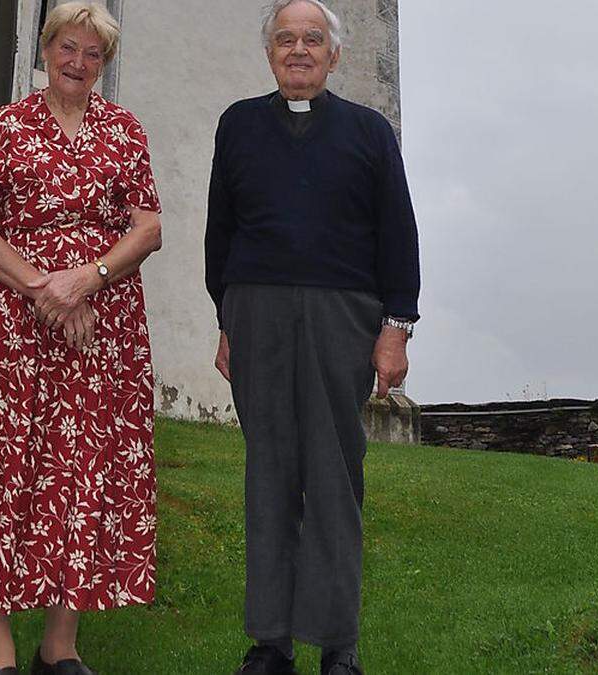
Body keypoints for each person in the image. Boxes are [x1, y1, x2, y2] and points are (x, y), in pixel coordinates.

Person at [0, 3, 163, 674]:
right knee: (1, 468)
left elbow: (147, 228)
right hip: (12, 329)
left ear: (103, 65)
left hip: (101, 330)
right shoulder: (6, 125)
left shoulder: (124, 130)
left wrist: (87, 279)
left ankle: (60, 645)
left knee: (82, 472)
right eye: (67, 46)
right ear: (46, 48)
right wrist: (45, 289)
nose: (77, 61)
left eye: (92, 53)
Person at [205, 1, 420, 674]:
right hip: (256, 312)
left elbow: (398, 234)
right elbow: (221, 232)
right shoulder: (238, 124)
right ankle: (270, 640)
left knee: (334, 473)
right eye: (285, 39)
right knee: (268, 471)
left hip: (341, 317)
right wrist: (226, 320)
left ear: (335, 54)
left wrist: (396, 327)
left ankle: (337, 643)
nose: (298, 50)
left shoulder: (369, 131)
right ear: (269, 52)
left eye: (312, 40)